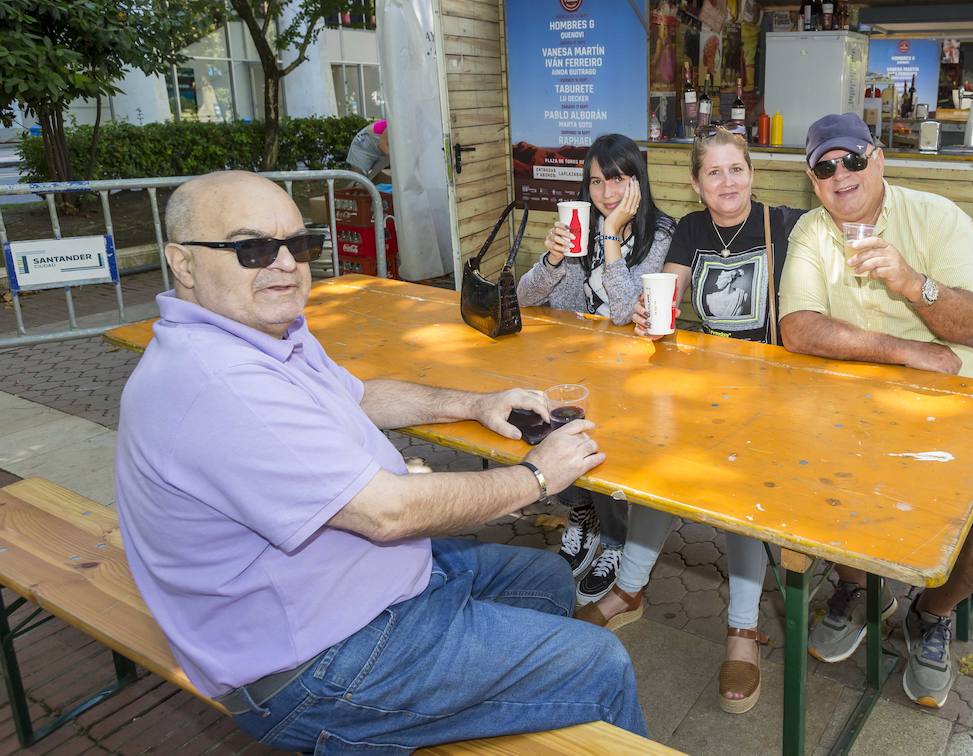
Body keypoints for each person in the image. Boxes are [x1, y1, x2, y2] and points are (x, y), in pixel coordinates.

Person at [115, 171, 645, 751]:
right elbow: (387, 514)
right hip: (318, 665)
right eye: (253, 248)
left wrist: (476, 402)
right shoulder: (222, 382)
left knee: (543, 578)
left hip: (360, 587)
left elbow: (362, 396)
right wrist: (538, 476)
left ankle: (520, 710)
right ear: (183, 263)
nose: (286, 264)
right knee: (602, 662)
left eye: (299, 244)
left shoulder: (261, 334)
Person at [776, 113, 973, 711]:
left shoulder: (937, 218)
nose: (841, 175)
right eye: (825, 167)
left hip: (970, 404)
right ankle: (859, 589)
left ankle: (932, 612)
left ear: (878, 158)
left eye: (852, 160)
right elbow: (797, 328)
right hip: (862, 410)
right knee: (810, 495)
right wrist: (905, 351)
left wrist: (915, 284)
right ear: (813, 180)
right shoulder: (813, 231)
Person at [578, 125, 806, 715]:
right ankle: (630, 589)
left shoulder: (784, 225)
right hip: (697, 386)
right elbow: (659, 297)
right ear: (696, 183)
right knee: (661, 468)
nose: (727, 182)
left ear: (752, 173)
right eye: (714, 172)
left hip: (765, 394)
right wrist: (646, 308)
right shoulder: (691, 230)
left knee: (742, 494)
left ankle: (742, 628)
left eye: (736, 169)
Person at [517, 134, 675, 605]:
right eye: (596, 181)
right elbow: (526, 297)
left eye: (618, 179)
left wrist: (610, 238)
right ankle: (580, 513)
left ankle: (616, 540)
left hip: (634, 372)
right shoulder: (578, 227)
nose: (606, 192)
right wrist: (552, 258)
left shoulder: (659, 232)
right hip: (574, 363)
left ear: (637, 181)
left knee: (608, 450)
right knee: (549, 426)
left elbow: (627, 310)